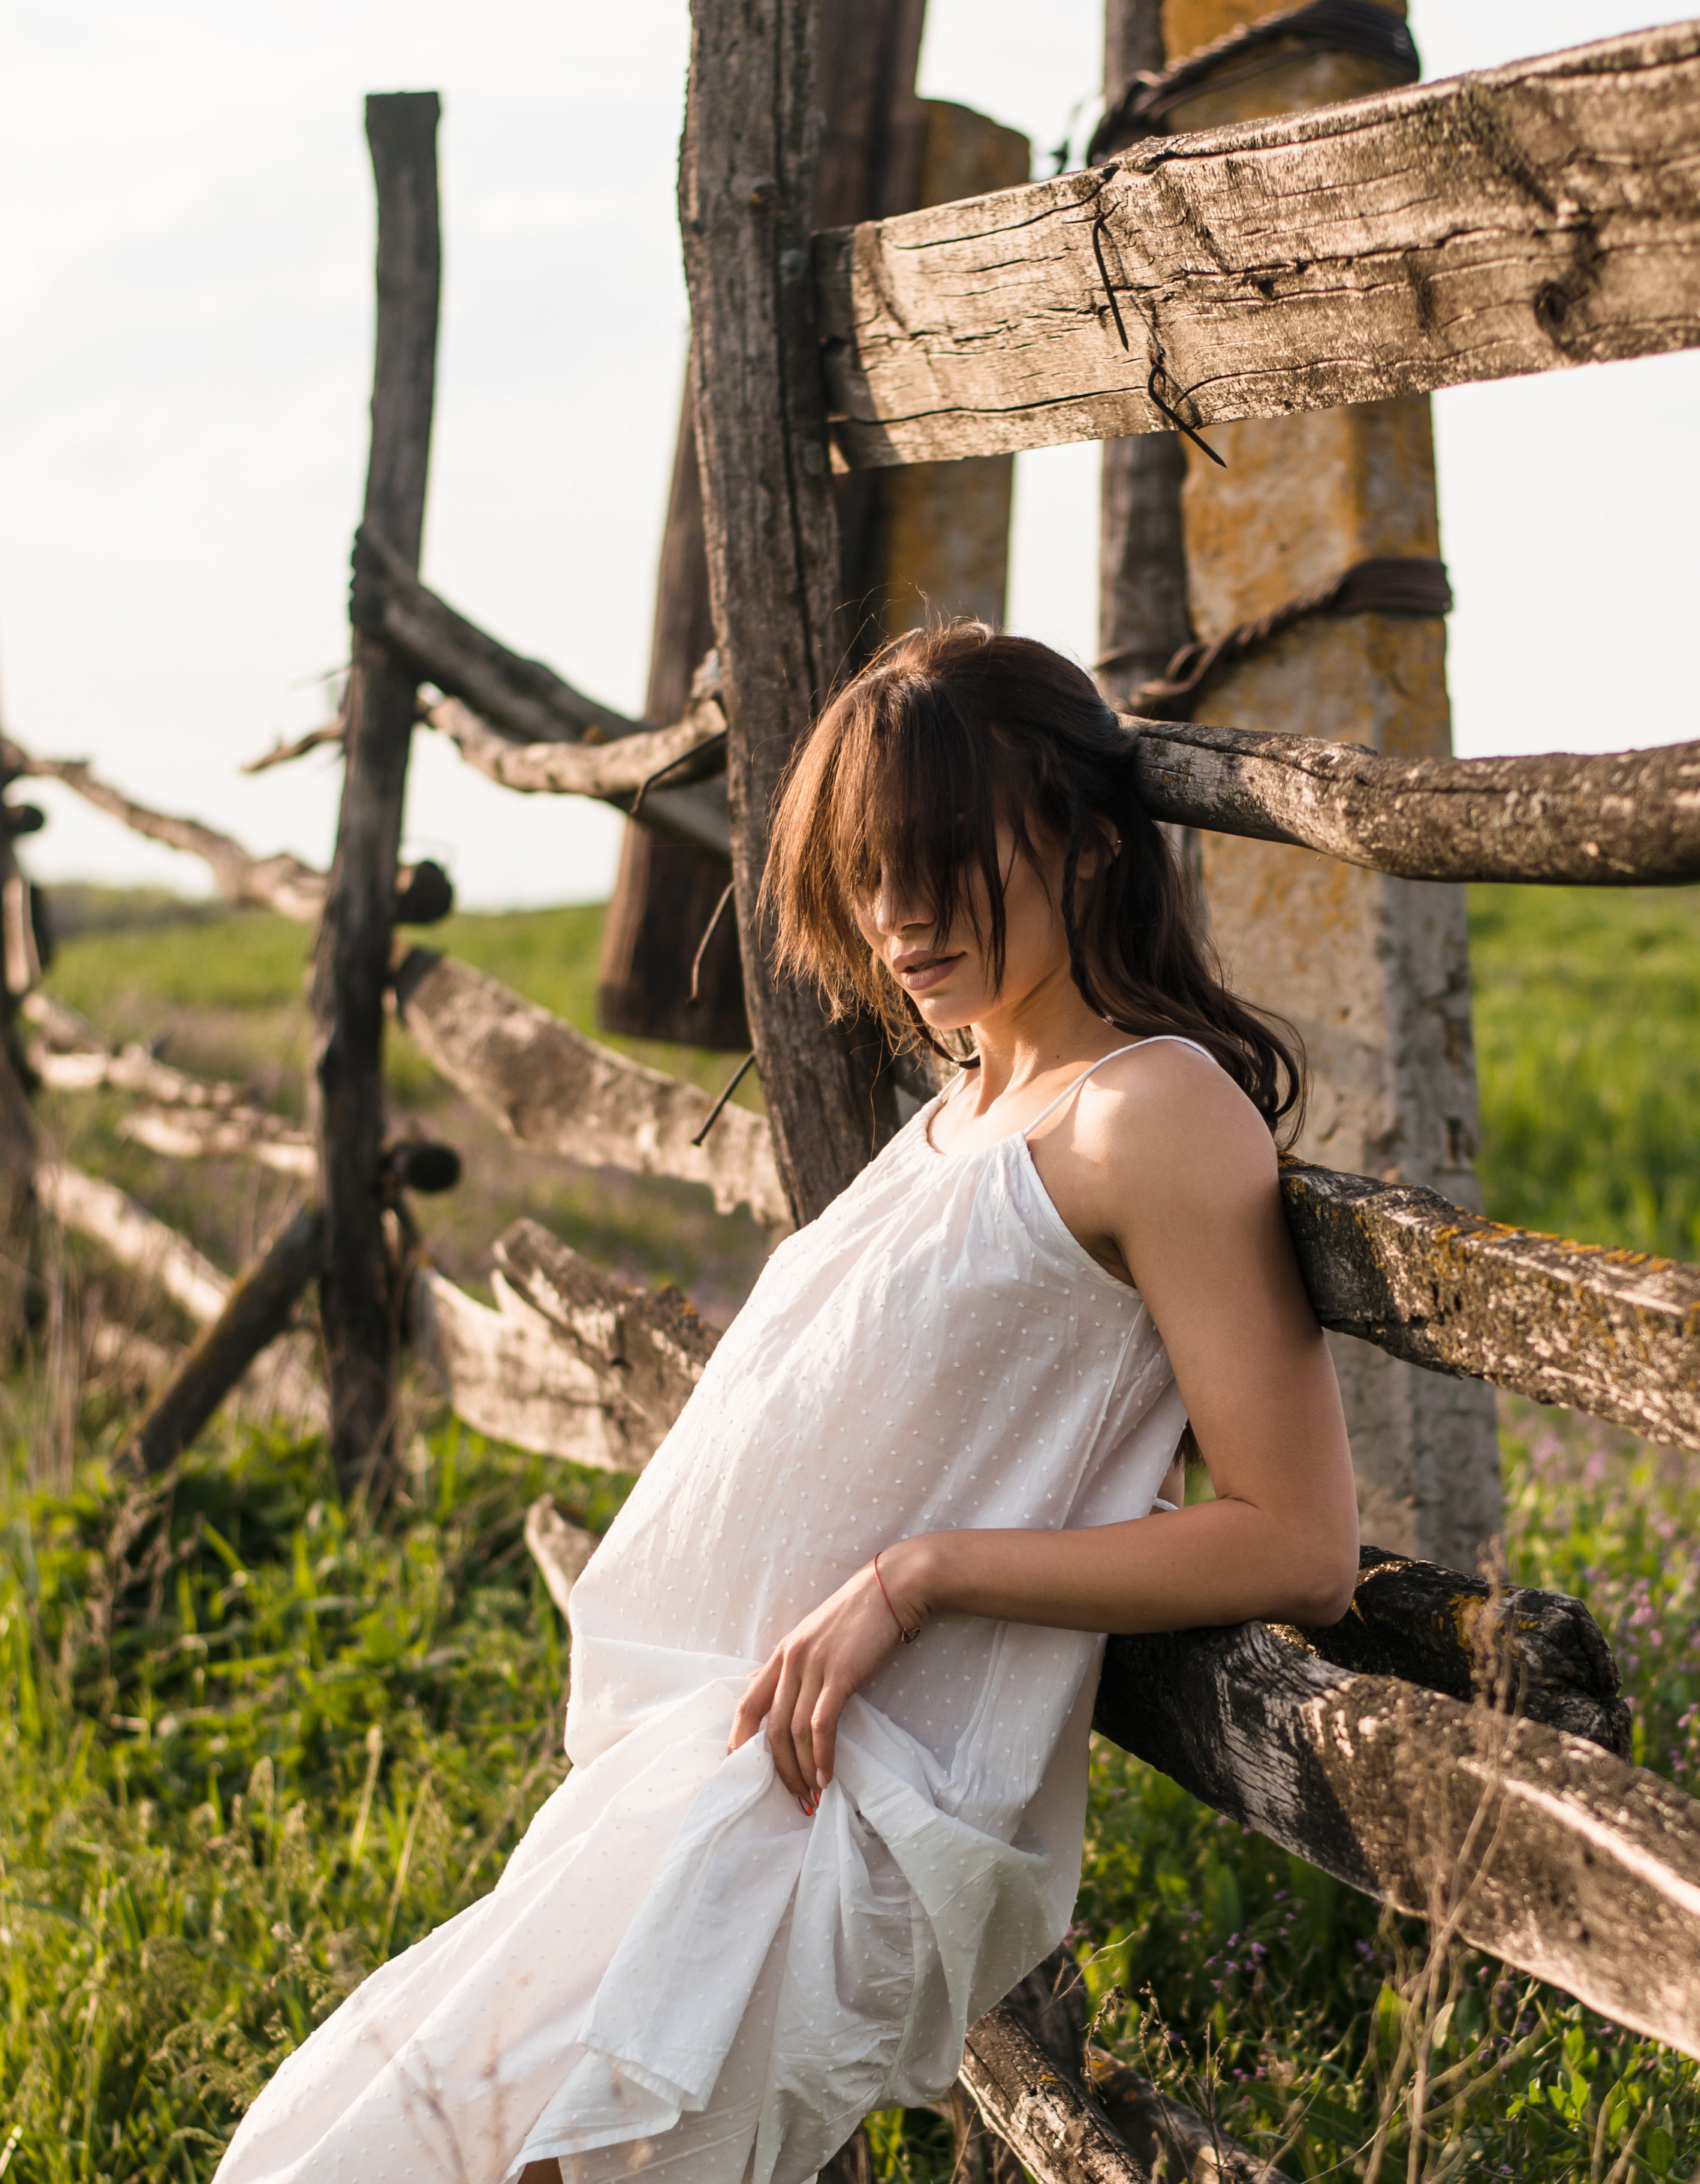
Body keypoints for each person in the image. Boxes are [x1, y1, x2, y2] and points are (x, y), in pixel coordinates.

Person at [215, 625, 1358, 2184]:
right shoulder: (965, 1101)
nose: (897, 912)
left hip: (847, 1804)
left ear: (1086, 848)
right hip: (714, 1772)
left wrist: (921, 1573)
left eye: (947, 855)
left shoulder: (1142, 1111)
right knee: (333, 2145)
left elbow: (1297, 1540)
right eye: (871, 865)